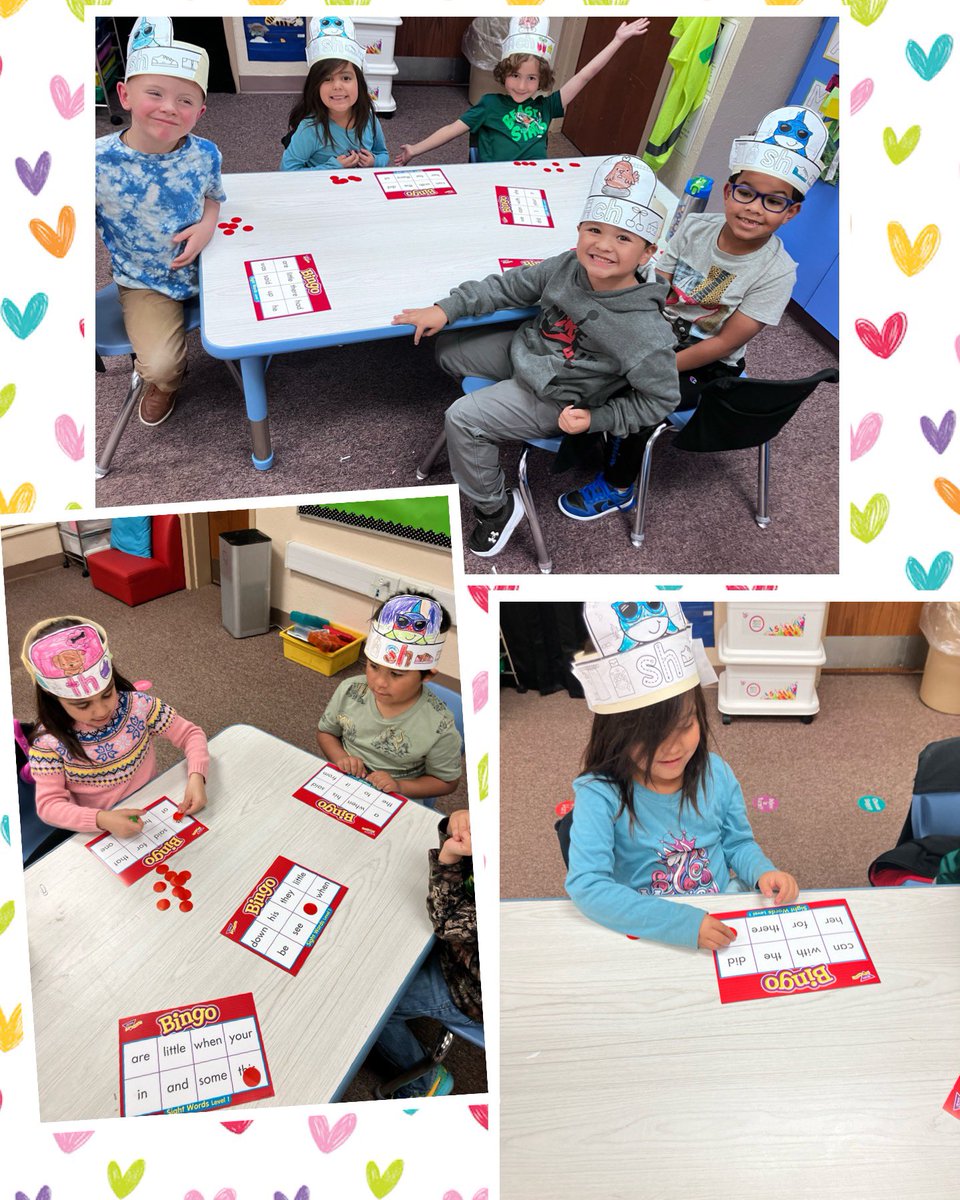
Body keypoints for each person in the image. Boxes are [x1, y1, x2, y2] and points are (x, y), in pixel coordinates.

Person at [391, 155, 680, 557]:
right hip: (530, 352)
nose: (602, 245)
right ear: (579, 230)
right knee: (450, 349)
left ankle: (496, 509)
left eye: (623, 238)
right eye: (594, 230)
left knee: (463, 418)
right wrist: (448, 307)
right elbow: (513, 286)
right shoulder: (569, 264)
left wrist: (598, 419)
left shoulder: (645, 333)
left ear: (647, 253)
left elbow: (662, 399)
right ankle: (496, 416)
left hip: (562, 395)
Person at [558, 105, 830, 520]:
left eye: (774, 201)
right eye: (746, 193)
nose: (755, 208)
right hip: (657, 332)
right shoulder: (694, 228)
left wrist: (649, 365)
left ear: (791, 211)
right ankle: (585, 431)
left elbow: (723, 342)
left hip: (708, 364)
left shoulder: (777, 273)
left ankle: (617, 485)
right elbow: (655, 285)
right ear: (727, 192)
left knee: (642, 395)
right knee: (583, 348)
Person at [564, 601, 799, 949]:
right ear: (617, 734)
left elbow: (738, 843)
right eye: (649, 737)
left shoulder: (716, 772)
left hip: (720, 915)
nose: (671, 748)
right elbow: (588, 886)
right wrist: (681, 923)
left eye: (686, 725)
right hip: (645, 926)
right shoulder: (599, 793)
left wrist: (762, 872)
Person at [95, 16, 225, 428]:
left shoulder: (206, 153)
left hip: (209, 264)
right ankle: (167, 385)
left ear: (200, 111)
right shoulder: (94, 161)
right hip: (146, 280)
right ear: (125, 94)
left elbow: (213, 197)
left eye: (185, 101)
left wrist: (207, 225)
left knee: (269, 312)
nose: (170, 107)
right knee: (162, 366)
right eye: (155, 93)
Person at [22, 617, 209, 836]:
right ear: (54, 699)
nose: (101, 711)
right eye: (82, 705)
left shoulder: (138, 706)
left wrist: (197, 776)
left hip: (153, 807)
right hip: (101, 828)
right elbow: (49, 807)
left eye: (107, 694)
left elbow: (190, 734)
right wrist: (101, 819)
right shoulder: (48, 743)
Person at [396, 16, 649, 166]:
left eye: (531, 78)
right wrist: (414, 150)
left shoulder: (547, 107)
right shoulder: (490, 104)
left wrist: (617, 40)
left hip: (533, 182)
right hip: (493, 180)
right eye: (515, 75)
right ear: (504, 73)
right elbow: (452, 129)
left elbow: (585, 76)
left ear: (541, 81)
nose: (521, 85)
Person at [373, 808, 482, 1098]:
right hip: (459, 953)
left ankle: (425, 1082)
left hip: (467, 988)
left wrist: (448, 857)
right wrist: (456, 822)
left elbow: (445, 922)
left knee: (376, 1007)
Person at [316, 594, 462, 800]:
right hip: (345, 781)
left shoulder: (440, 725)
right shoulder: (349, 690)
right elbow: (326, 733)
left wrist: (400, 786)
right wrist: (341, 758)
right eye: (373, 666)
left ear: (427, 675)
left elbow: (447, 782)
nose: (379, 683)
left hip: (396, 795)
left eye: (396, 674)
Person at [281, 16, 388, 172]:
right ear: (315, 86)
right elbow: (287, 171)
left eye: (346, 78)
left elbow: (382, 153)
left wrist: (375, 161)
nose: (337, 86)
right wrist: (332, 167)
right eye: (327, 79)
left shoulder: (368, 118)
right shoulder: (310, 129)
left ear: (359, 83)